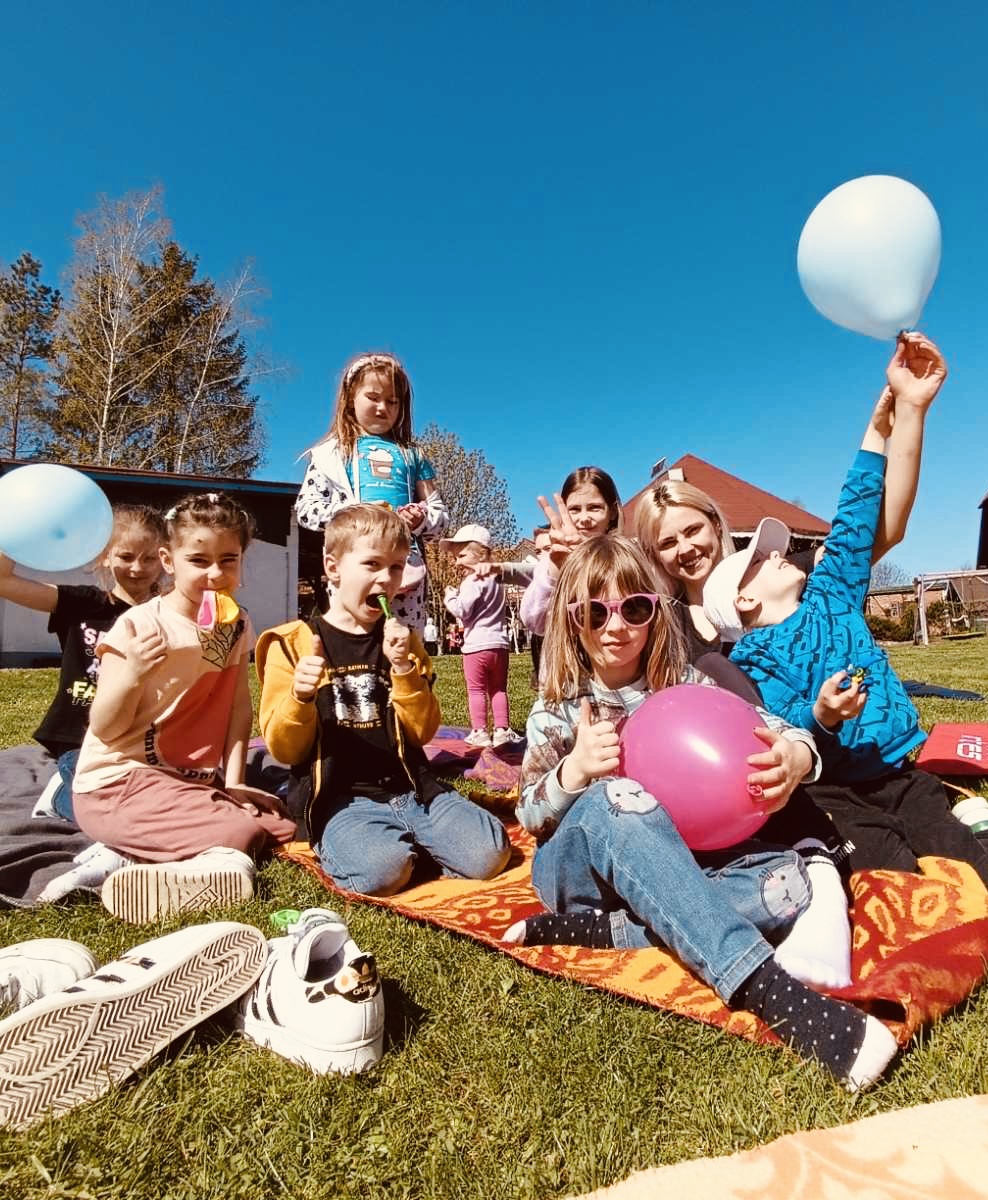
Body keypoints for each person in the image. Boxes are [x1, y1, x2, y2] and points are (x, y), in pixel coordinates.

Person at [505, 535, 897, 1091]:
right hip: (576, 874)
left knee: (786, 884)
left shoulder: (686, 684)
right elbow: (529, 816)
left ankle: (614, 932)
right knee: (616, 798)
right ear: (572, 622)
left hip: (680, 871)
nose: (615, 626)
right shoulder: (558, 708)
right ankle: (768, 990)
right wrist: (573, 773)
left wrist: (796, 754)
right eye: (594, 612)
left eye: (633, 608)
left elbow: (777, 728)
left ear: (653, 613)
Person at [702, 366, 988, 889]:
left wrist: (876, 431)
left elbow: (855, 517)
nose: (781, 553)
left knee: (967, 865)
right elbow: (778, 725)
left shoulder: (832, 591)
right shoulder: (748, 663)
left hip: (900, 770)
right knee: (888, 881)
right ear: (743, 598)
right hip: (834, 791)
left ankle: (972, 831)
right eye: (762, 558)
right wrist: (821, 715)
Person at [636, 333, 947, 663]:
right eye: (668, 543)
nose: (685, 549)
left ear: (715, 523)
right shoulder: (658, 623)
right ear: (653, 554)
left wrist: (911, 410)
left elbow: (880, 534)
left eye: (691, 530)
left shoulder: (779, 573)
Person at [255, 504, 510, 897]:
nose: (386, 579)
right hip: (342, 800)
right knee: (381, 872)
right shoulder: (292, 643)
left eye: (395, 567)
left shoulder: (404, 641)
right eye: (372, 564)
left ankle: (413, 849)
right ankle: (393, 852)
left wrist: (405, 672)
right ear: (333, 567)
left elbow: (422, 732)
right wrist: (300, 696)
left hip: (413, 790)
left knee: (490, 854)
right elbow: (284, 747)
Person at [70, 492, 296, 920]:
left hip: (187, 783)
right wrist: (134, 672)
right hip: (118, 784)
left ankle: (150, 851)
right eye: (199, 560)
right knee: (239, 830)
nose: (215, 574)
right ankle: (122, 860)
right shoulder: (140, 625)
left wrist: (234, 782)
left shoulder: (237, 624)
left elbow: (237, 708)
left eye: (228, 560)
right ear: (169, 561)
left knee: (280, 824)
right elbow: (103, 728)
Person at [0, 505, 166, 821]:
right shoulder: (81, 602)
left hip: (138, 736)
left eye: (149, 558)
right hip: (77, 736)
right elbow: (2, 581)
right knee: (106, 808)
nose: (137, 567)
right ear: (105, 556)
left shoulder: (167, 614)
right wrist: (17, 531)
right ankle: (60, 794)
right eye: (126, 556)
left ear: (166, 559)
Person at [294, 351, 448, 631]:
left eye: (392, 401)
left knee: (404, 646)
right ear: (350, 400)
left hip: (404, 571)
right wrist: (354, 514)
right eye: (373, 397)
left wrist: (421, 519)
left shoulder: (414, 456)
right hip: (352, 566)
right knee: (353, 643)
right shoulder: (331, 453)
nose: (383, 407)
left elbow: (440, 517)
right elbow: (306, 510)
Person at [441, 523, 523, 749]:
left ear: (480, 553)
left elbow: (462, 610)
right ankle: (502, 730)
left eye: (462, 555)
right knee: (498, 689)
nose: (457, 562)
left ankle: (479, 731)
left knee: (476, 690)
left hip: (476, 646)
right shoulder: (497, 580)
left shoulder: (472, 581)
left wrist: (450, 597)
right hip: (499, 644)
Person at [520, 466, 623, 640]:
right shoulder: (551, 563)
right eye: (574, 510)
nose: (584, 518)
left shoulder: (625, 558)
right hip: (566, 665)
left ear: (612, 512)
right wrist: (556, 569)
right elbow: (534, 620)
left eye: (594, 508)